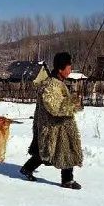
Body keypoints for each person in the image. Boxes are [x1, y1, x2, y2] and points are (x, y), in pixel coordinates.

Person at [20, 52, 83, 190]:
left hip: (59, 125)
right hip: (53, 127)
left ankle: (27, 168)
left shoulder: (58, 83)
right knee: (56, 152)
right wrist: (73, 102)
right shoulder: (51, 85)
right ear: (61, 69)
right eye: (69, 67)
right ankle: (67, 180)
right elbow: (55, 107)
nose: (70, 70)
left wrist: (72, 100)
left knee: (52, 153)